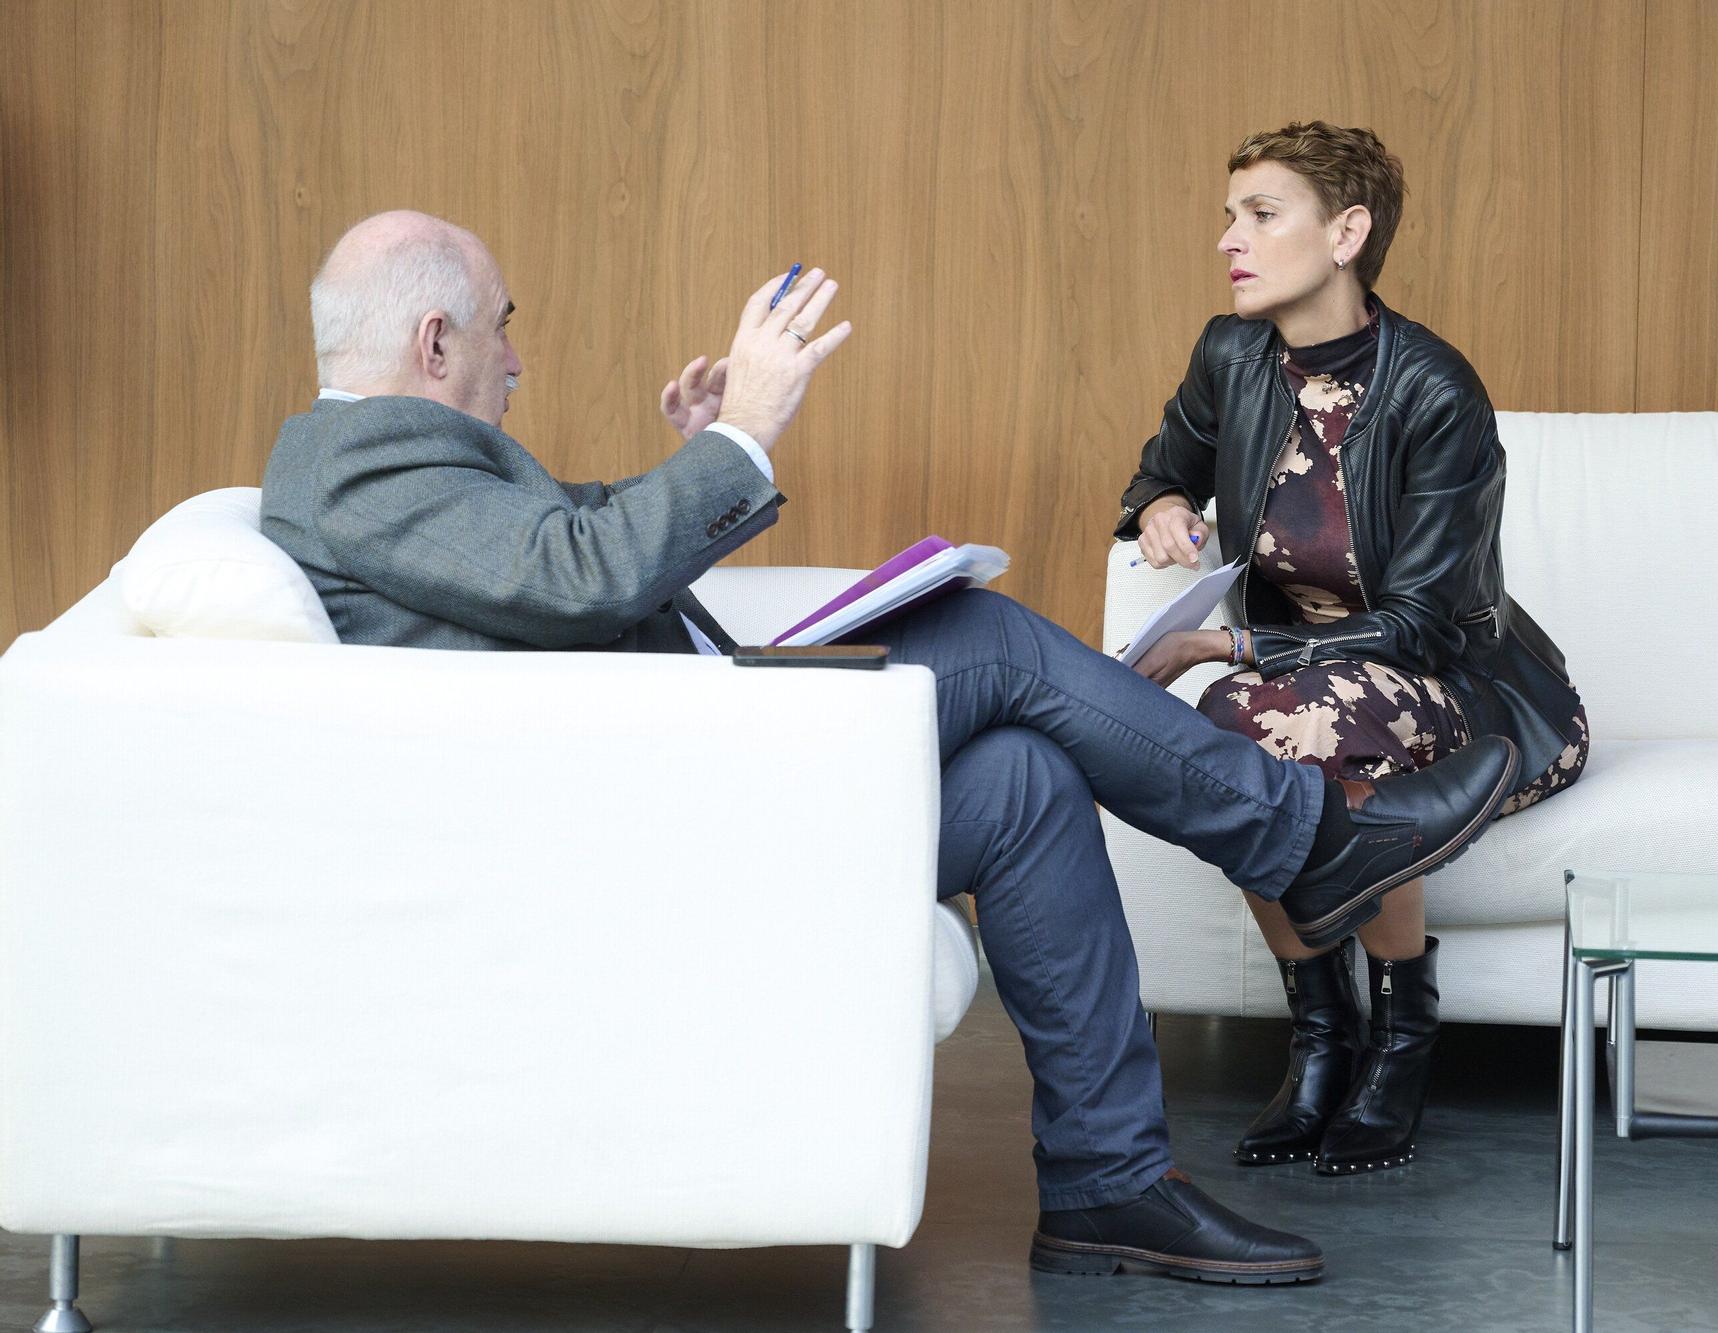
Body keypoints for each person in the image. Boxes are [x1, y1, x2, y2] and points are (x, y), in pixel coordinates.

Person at [261, 210, 1520, 1284]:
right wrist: (736, 438)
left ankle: (1104, 1184)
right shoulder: (358, 464)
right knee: (979, 632)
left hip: (680, 772)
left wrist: (696, 456)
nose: (515, 358)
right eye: (499, 326)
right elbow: (577, 580)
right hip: (656, 812)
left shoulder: (387, 466)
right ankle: (1311, 839)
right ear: (434, 343)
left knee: (1024, 782)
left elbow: (551, 563)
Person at [1117, 122, 1590, 1178]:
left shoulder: (1433, 389)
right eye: (1229, 214)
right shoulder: (1229, 355)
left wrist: (1223, 638)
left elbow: (1422, 620)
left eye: (1259, 214)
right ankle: (1327, 1036)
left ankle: (1397, 1043)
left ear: (1346, 231)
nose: (1227, 239)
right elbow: (1160, 468)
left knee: (1284, 721)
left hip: (1473, 698)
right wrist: (1157, 506)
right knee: (1243, 727)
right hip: (1300, 685)